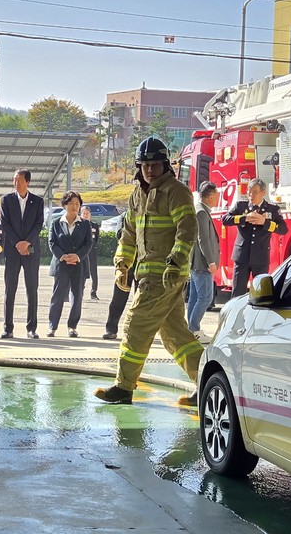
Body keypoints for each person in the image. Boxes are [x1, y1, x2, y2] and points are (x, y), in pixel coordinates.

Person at [93, 137, 204, 407]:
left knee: (135, 326)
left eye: (154, 165)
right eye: (145, 165)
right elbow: (129, 234)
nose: (150, 170)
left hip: (163, 278)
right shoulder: (137, 195)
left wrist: (175, 261)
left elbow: (187, 229)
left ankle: (123, 387)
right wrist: (122, 263)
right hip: (147, 276)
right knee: (175, 336)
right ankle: (209, 383)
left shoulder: (176, 192)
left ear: (166, 165)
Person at [223, 178, 287, 297]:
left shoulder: (272, 209)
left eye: (254, 192)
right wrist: (244, 218)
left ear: (263, 192)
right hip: (242, 256)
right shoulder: (240, 206)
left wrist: (265, 223)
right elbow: (225, 220)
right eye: (249, 191)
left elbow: (283, 229)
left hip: (260, 257)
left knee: (260, 294)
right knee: (238, 292)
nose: (251, 195)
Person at [0, 168, 44, 339]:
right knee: (9, 289)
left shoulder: (37, 201)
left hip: (31, 251)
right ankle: (8, 328)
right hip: (12, 251)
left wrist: (27, 242)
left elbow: (38, 224)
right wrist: (18, 243)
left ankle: (31, 328)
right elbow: (5, 223)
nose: (16, 183)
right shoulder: (6, 200)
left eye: (20, 180)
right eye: (15, 180)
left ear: (28, 182)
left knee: (32, 289)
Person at [47, 191, 93, 337]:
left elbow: (88, 243)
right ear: (64, 205)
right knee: (58, 296)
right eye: (71, 203)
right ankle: (52, 327)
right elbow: (52, 242)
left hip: (79, 264)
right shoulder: (56, 223)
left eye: (77, 204)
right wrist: (63, 256)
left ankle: (72, 326)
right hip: (61, 264)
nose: (75, 206)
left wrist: (77, 256)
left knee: (77, 296)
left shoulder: (85, 224)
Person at [187, 181, 220, 343]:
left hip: (197, 263)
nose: (218, 199)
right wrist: (211, 261)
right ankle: (194, 330)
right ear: (210, 196)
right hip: (202, 263)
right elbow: (203, 240)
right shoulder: (201, 212)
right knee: (205, 298)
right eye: (217, 195)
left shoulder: (201, 210)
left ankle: (191, 330)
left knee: (194, 297)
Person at [102, 217, 134, 340]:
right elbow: (120, 235)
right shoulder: (126, 216)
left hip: (143, 263)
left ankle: (136, 333)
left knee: (141, 301)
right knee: (118, 299)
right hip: (125, 264)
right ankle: (111, 329)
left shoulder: (149, 215)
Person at [80, 206, 101, 300]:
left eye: (87, 213)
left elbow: (96, 239)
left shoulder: (94, 226)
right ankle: (80, 291)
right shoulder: (78, 225)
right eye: (84, 213)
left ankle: (93, 292)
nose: (85, 215)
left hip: (92, 252)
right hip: (82, 252)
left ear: (90, 215)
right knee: (82, 273)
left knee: (94, 273)